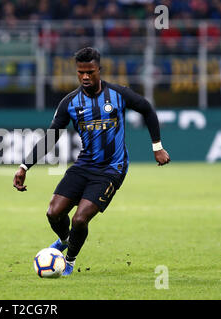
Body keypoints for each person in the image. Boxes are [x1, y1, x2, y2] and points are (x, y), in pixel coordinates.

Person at [12, 47, 170, 276]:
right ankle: (67, 241)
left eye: (90, 72)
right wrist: (24, 166)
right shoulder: (70, 103)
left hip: (112, 169)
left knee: (80, 218)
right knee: (53, 213)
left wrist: (157, 146)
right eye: (81, 73)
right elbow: (51, 137)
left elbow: (146, 109)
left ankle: (69, 261)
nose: (85, 77)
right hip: (84, 165)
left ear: (99, 70)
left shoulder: (118, 94)